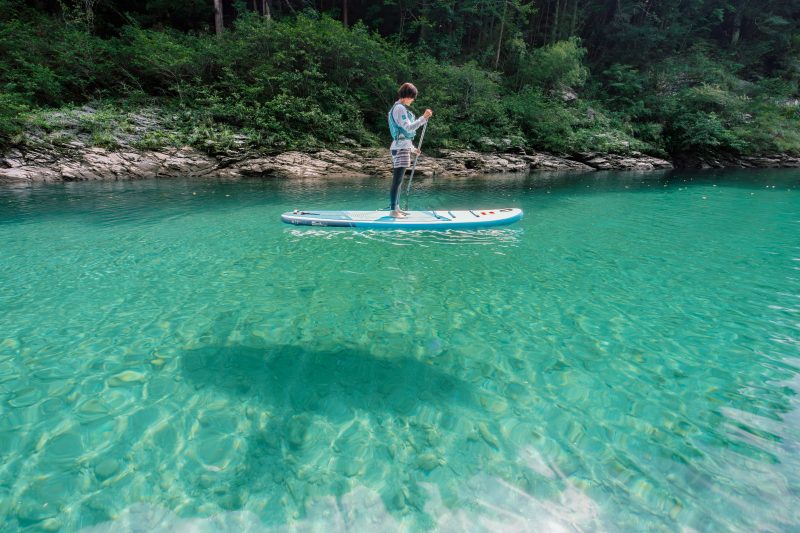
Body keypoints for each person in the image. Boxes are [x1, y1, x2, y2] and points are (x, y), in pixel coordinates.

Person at [387, 83, 433, 217]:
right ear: (407, 95)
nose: (412, 100)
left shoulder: (399, 107)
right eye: (412, 97)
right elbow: (408, 128)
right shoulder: (399, 108)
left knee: (399, 181)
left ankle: (397, 207)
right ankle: (393, 211)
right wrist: (423, 118)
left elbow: (403, 135)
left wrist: (413, 149)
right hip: (399, 149)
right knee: (397, 180)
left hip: (402, 147)